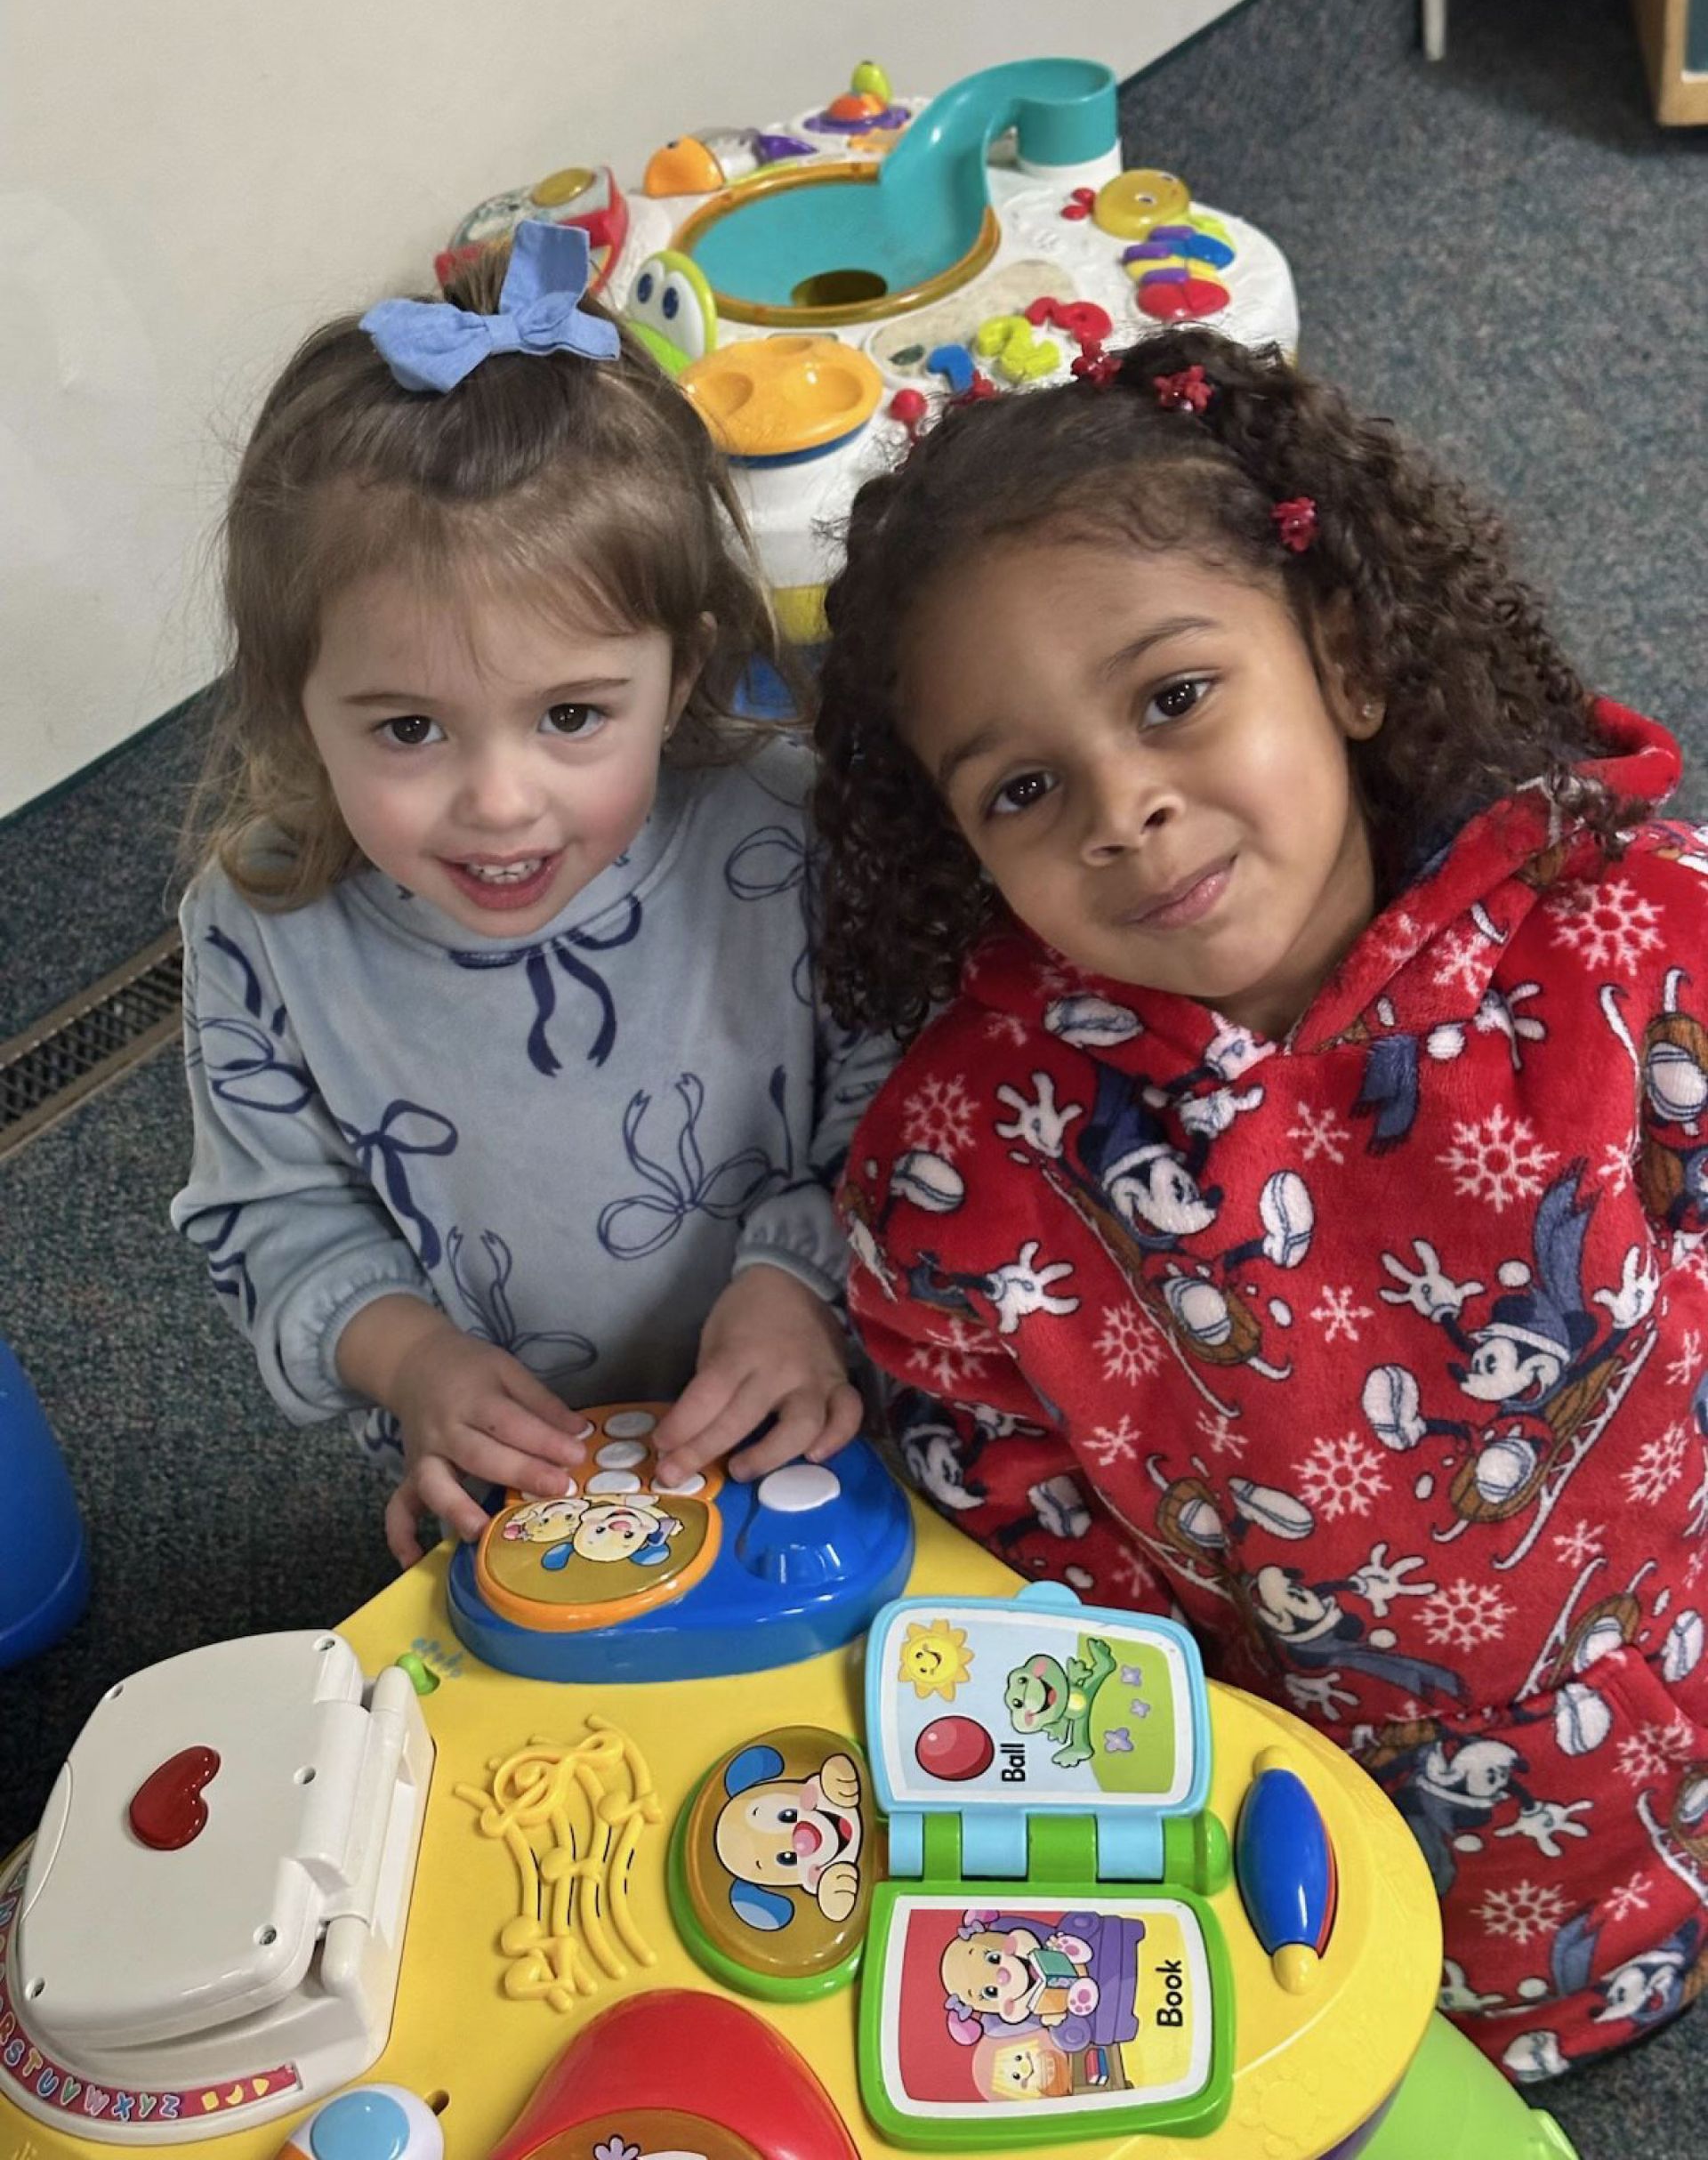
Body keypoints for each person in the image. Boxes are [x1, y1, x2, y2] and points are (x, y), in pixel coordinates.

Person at [812, 325, 1708, 2078]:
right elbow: (1011, 1528)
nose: (1127, 808)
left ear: (1348, 657)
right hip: (1310, 1890)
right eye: (1021, 787)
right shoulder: (960, 1174)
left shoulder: (1651, 949)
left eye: (1172, 695)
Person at [173, 221, 892, 1568]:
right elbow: (268, 1214)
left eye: (572, 713)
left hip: (823, 1414)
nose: (500, 801)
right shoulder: (262, 930)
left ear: (679, 674)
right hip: (520, 1491)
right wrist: (414, 1364)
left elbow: (899, 1090)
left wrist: (798, 1281)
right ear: (296, 706)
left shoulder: (787, 834)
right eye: (406, 730)